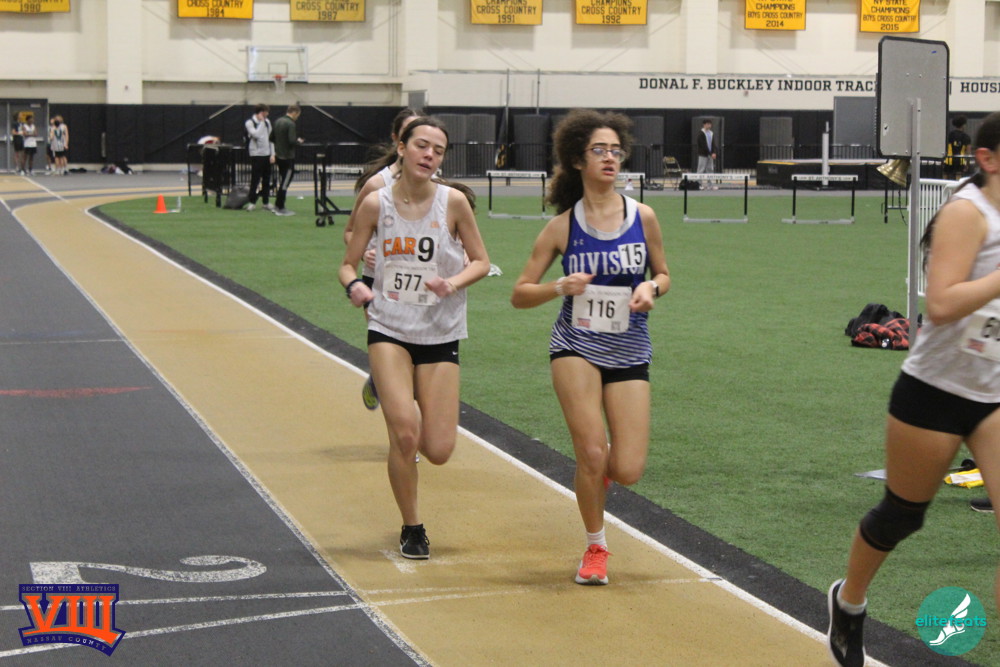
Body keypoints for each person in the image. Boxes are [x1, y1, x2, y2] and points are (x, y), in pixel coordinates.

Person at [827, 111, 1000, 667]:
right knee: (903, 514)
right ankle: (848, 602)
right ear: (987, 158)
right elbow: (941, 304)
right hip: (936, 392)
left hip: (994, 393)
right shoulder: (967, 213)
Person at [510, 109, 671, 585]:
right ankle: (596, 547)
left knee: (627, 468)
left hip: (630, 347)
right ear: (578, 160)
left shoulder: (643, 216)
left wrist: (651, 289)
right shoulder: (562, 227)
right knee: (591, 451)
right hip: (575, 345)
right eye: (599, 150)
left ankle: (597, 472)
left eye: (616, 151)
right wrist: (560, 286)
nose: (610, 158)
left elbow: (663, 273)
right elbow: (520, 293)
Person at [338, 116, 490, 560]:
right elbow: (347, 263)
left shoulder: (453, 202)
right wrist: (355, 285)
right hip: (389, 327)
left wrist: (452, 282)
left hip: (440, 331)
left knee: (438, 449)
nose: (429, 155)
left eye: (438, 150)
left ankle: (401, 392)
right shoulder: (376, 202)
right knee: (405, 434)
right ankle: (412, 526)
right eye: (422, 145)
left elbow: (481, 261)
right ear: (401, 148)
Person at [343, 107, 422, 410]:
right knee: (394, 357)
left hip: (421, 281)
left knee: (416, 358)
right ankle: (386, 385)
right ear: (398, 141)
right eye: (411, 135)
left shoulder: (436, 184)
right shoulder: (378, 184)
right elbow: (350, 232)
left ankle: (383, 380)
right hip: (377, 281)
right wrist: (365, 251)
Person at [243, 103, 275, 212]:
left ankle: (265, 202)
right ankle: (252, 202)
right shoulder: (250, 122)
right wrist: (261, 122)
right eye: (266, 112)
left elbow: (271, 138)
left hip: (267, 155)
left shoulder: (267, 122)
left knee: (266, 180)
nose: (267, 114)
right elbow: (256, 134)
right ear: (261, 112)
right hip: (256, 155)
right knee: (255, 179)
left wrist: (272, 154)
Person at [272, 103, 303, 217]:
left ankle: (278, 205)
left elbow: (271, 138)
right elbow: (291, 141)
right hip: (288, 157)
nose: (297, 118)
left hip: (279, 156)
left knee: (283, 181)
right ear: (295, 113)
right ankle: (280, 206)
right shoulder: (290, 123)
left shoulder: (278, 121)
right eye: (298, 115)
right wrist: (298, 141)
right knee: (285, 183)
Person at [944, 115, 972, 181]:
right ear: (963, 125)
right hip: (960, 160)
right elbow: (968, 152)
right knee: (958, 179)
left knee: (945, 177)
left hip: (949, 159)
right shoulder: (966, 137)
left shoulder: (949, 135)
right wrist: (967, 163)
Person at [696, 118, 718, 189]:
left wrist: (714, 152)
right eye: (708, 124)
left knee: (710, 169)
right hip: (703, 154)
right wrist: (710, 153)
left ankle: (710, 185)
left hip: (710, 155)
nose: (709, 126)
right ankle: (699, 184)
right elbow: (703, 145)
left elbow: (713, 144)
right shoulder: (701, 133)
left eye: (710, 124)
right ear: (704, 125)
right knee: (701, 169)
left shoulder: (711, 133)